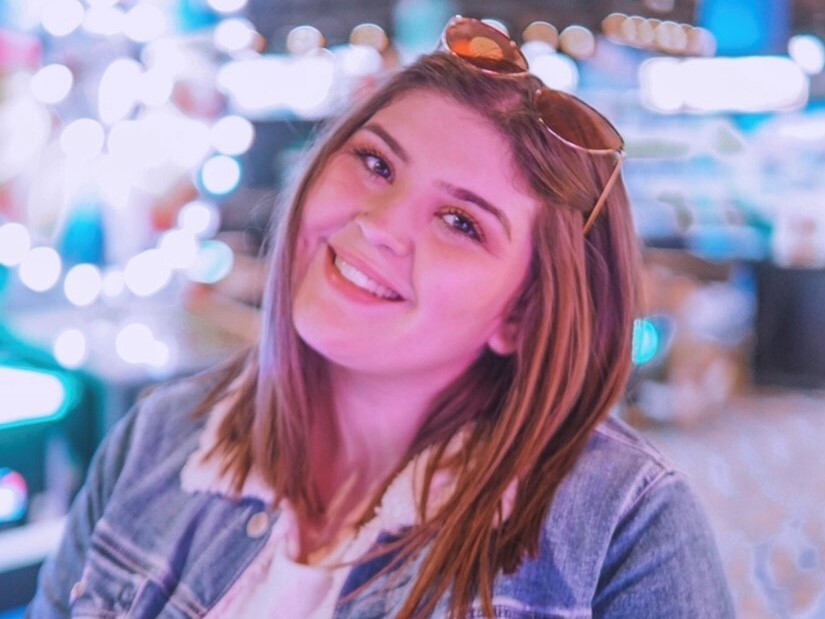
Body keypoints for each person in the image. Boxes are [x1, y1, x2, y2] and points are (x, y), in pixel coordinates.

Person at [28, 16, 734, 619]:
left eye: (461, 221)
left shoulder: (624, 528)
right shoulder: (163, 436)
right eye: (374, 163)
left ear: (519, 316)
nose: (378, 225)